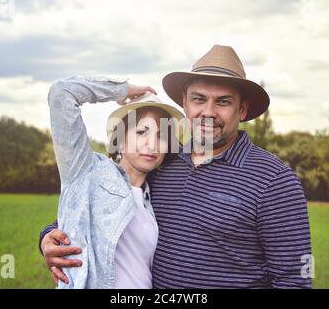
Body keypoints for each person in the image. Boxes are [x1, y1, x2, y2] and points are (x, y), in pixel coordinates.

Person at [40, 45, 313, 288]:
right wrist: (49, 238)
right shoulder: (163, 164)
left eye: (223, 101)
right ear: (184, 103)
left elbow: (293, 280)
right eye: (198, 99)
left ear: (242, 110)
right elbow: (97, 208)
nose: (208, 111)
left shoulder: (274, 180)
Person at [45, 75, 185, 288]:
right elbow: (62, 92)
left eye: (162, 136)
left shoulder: (155, 194)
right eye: (141, 132)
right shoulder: (86, 170)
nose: (152, 144)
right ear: (119, 140)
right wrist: (123, 89)